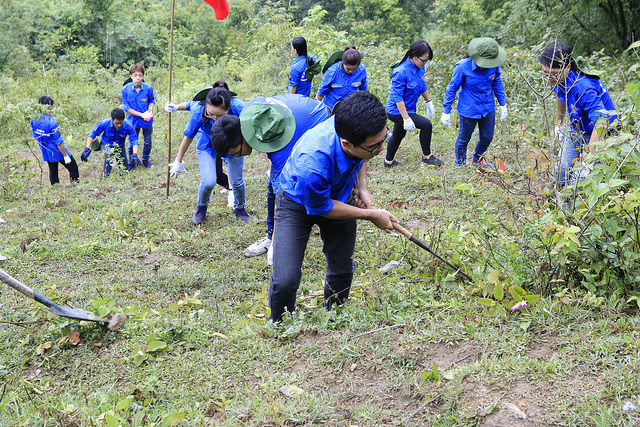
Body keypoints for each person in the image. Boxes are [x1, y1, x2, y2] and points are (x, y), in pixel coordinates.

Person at [267, 91, 399, 322]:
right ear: (346, 143)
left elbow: (361, 155)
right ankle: (279, 323)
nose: (381, 149)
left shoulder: (353, 128)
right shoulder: (311, 166)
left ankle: (335, 314)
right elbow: (324, 208)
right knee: (285, 279)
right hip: (296, 201)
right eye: (375, 146)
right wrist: (370, 215)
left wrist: (362, 187)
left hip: (339, 193)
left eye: (383, 140)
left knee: (342, 267)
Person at [211, 93, 331, 258]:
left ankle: (280, 241)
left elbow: (282, 195)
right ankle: (271, 238)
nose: (238, 156)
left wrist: (277, 242)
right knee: (272, 186)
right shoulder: (250, 115)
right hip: (302, 112)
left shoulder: (278, 146)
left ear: (240, 139)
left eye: (236, 153)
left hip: (319, 122)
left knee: (298, 189)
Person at [165, 85, 249, 224]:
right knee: (208, 181)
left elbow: (254, 125)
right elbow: (188, 136)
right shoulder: (199, 110)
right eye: (211, 114)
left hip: (231, 142)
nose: (215, 118)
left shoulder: (238, 107)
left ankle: (240, 208)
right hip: (207, 143)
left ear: (228, 108)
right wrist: (178, 161)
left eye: (220, 115)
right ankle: (201, 208)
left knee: (237, 181)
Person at [539, 42, 618, 185]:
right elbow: (560, 95)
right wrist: (559, 124)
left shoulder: (583, 87)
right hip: (578, 129)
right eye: (545, 72)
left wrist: (589, 159)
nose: (549, 78)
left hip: (602, 133)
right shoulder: (557, 79)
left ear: (568, 67)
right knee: (560, 173)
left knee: (579, 181)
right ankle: (562, 197)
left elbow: (602, 121)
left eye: (554, 74)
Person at [441, 37, 508, 167]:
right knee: (464, 138)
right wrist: (446, 110)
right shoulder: (462, 67)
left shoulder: (494, 64)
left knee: (487, 137)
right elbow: (452, 88)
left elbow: (497, 83)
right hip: (469, 108)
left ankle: (478, 159)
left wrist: (503, 104)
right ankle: (460, 163)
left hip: (487, 107)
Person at [385, 40, 442, 168]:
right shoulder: (400, 72)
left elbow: (422, 85)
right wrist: (406, 118)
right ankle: (427, 156)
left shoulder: (420, 67)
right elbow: (397, 97)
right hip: (396, 110)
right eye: (423, 60)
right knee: (426, 125)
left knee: (399, 134)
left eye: (427, 61)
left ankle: (388, 162)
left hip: (409, 108)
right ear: (414, 56)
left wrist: (429, 102)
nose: (425, 63)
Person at [30, 96, 80, 185]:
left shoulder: (34, 119)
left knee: (53, 169)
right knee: (73, 168)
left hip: (45, 149)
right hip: (56, 150)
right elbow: (59, 142)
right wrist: (65, 156)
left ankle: (55, 187)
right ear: (50, 106)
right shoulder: (52, 122)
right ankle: (76, 187)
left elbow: (34, 134)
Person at [80, 108, 141, 177]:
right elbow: (93, 134)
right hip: (106, 144)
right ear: (112, 119)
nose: (119, 125)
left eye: (121, 123)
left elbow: (134, 140)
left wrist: (134, 154)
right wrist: (87, 148)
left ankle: (120, 177)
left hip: (120, 146)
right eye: (117, 123)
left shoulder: (128, 126)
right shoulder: (104, 123)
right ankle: (106, 177)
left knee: (124, 167)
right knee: (109, 157)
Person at [121, 64, 155, 168]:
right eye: (135, 75)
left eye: (140, 75)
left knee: (147, 142)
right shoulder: (125, 89)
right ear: (131, 76)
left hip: (147, 120)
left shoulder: (148, 88)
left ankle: (145, 160)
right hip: (132, 120)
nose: (137, 78)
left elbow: (152, 100)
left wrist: (149, 110)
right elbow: (126, 107)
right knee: (132, 141)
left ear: (143, 76)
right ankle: (132, 162)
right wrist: (141, 114)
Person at [316, 46, 368, 110]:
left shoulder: (361, 69)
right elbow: (322, 90)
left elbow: (363, 89)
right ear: (343, 62)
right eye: (348, 69)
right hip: (332, 107)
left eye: (354, 69)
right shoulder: (332, 71)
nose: (351, 71)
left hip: (350, 107)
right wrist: (316, 108)